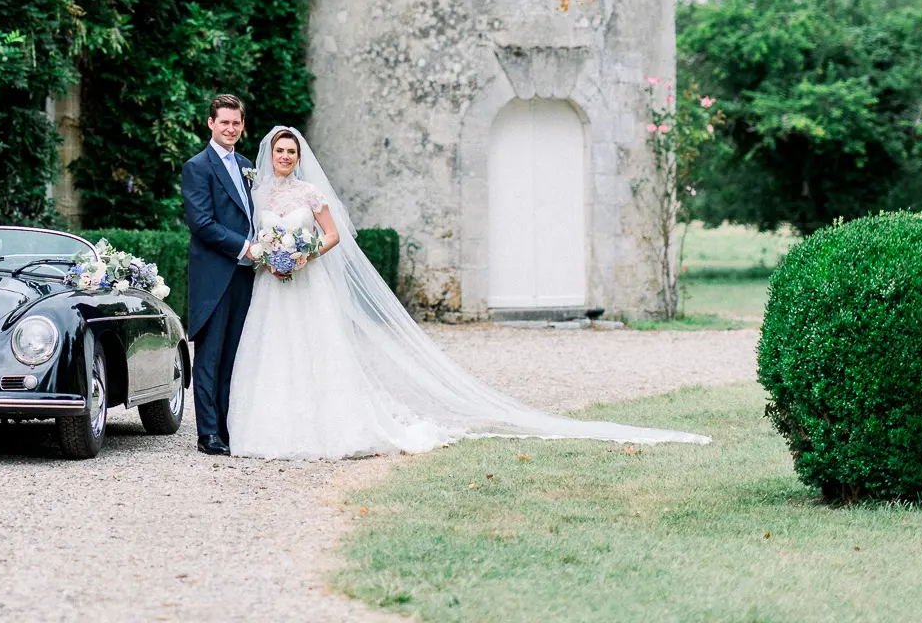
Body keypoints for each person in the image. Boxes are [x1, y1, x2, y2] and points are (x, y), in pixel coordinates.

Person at [224, 125, 708, 460]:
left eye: (291, 152)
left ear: (299, 157)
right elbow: (253, 236)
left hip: (306, 285)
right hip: (272, 288)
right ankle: (273, 430)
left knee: (318, 353)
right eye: (279, 152)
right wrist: (270, 255)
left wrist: (305, 253)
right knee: (275, 355)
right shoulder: (258, 195)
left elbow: (333, 236)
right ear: (270, 156)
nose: (285, 158)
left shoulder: (311, 195)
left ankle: (328, 428)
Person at [180, 94, 258, 455]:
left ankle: (230, 428)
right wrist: (246, 247)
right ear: (210, 123)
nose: (230, 128)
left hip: (246, 276)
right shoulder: (197, 166)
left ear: (242, 126)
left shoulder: (247, 165)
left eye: (236, 123)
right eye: (224, 122)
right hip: (215, 276)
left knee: (236, 356)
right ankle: (208, 434)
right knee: (209, 358)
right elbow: (202, 224)